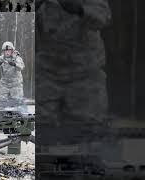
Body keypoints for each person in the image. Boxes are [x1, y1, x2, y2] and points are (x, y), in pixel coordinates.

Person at [37, 0, 111, 144]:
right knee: (42, 128)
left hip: (85, 73)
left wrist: (79, 9)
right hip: (48, 72)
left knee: (88, 130)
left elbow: (103, 17)